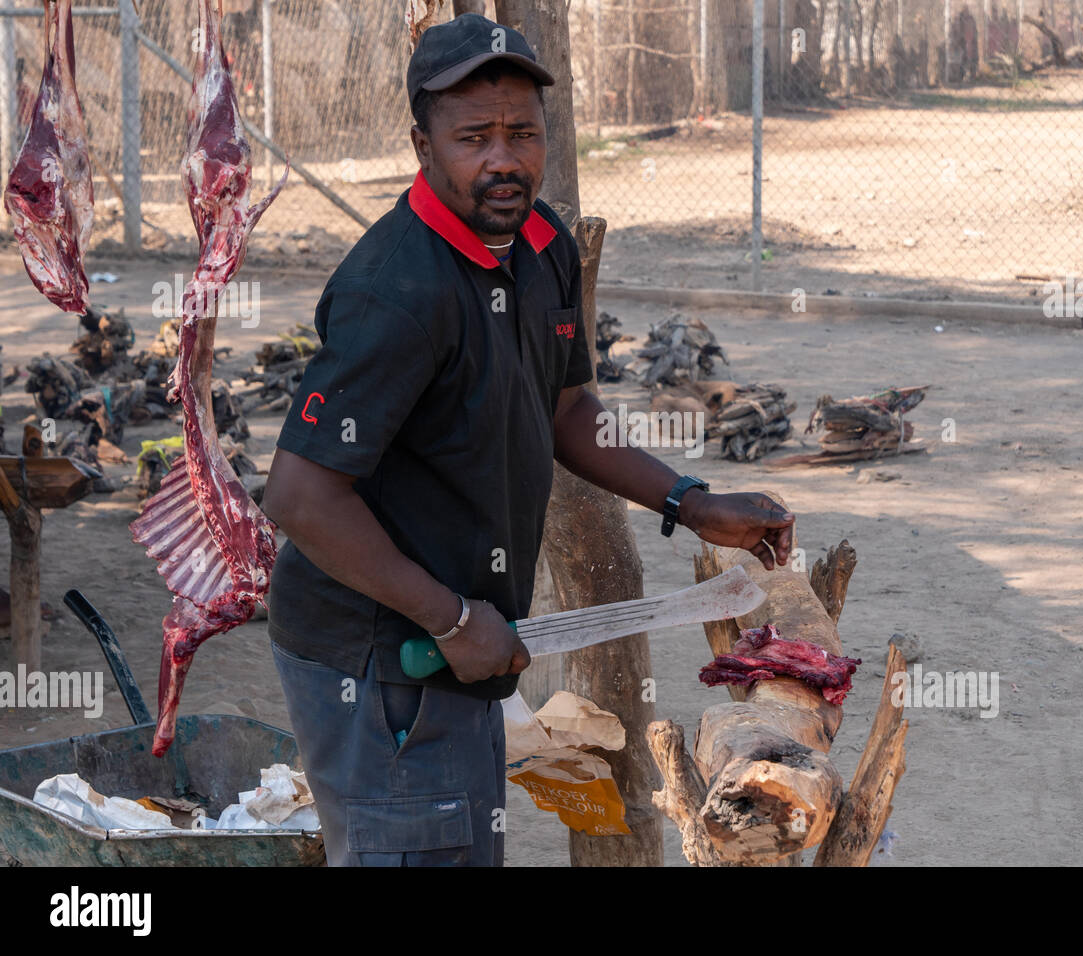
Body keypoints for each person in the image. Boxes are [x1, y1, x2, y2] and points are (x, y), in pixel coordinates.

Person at [260, 12, 796, 866]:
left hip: (459, 641)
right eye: (474, 137)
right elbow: (300, 496)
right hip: (377, 653)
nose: (503, 158)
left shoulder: (541, 243)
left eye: (522, 133)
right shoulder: (395, 291)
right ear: (422, 146)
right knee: (414, 849)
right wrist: (453, 615)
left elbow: (566, 411)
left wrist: (692, 505)